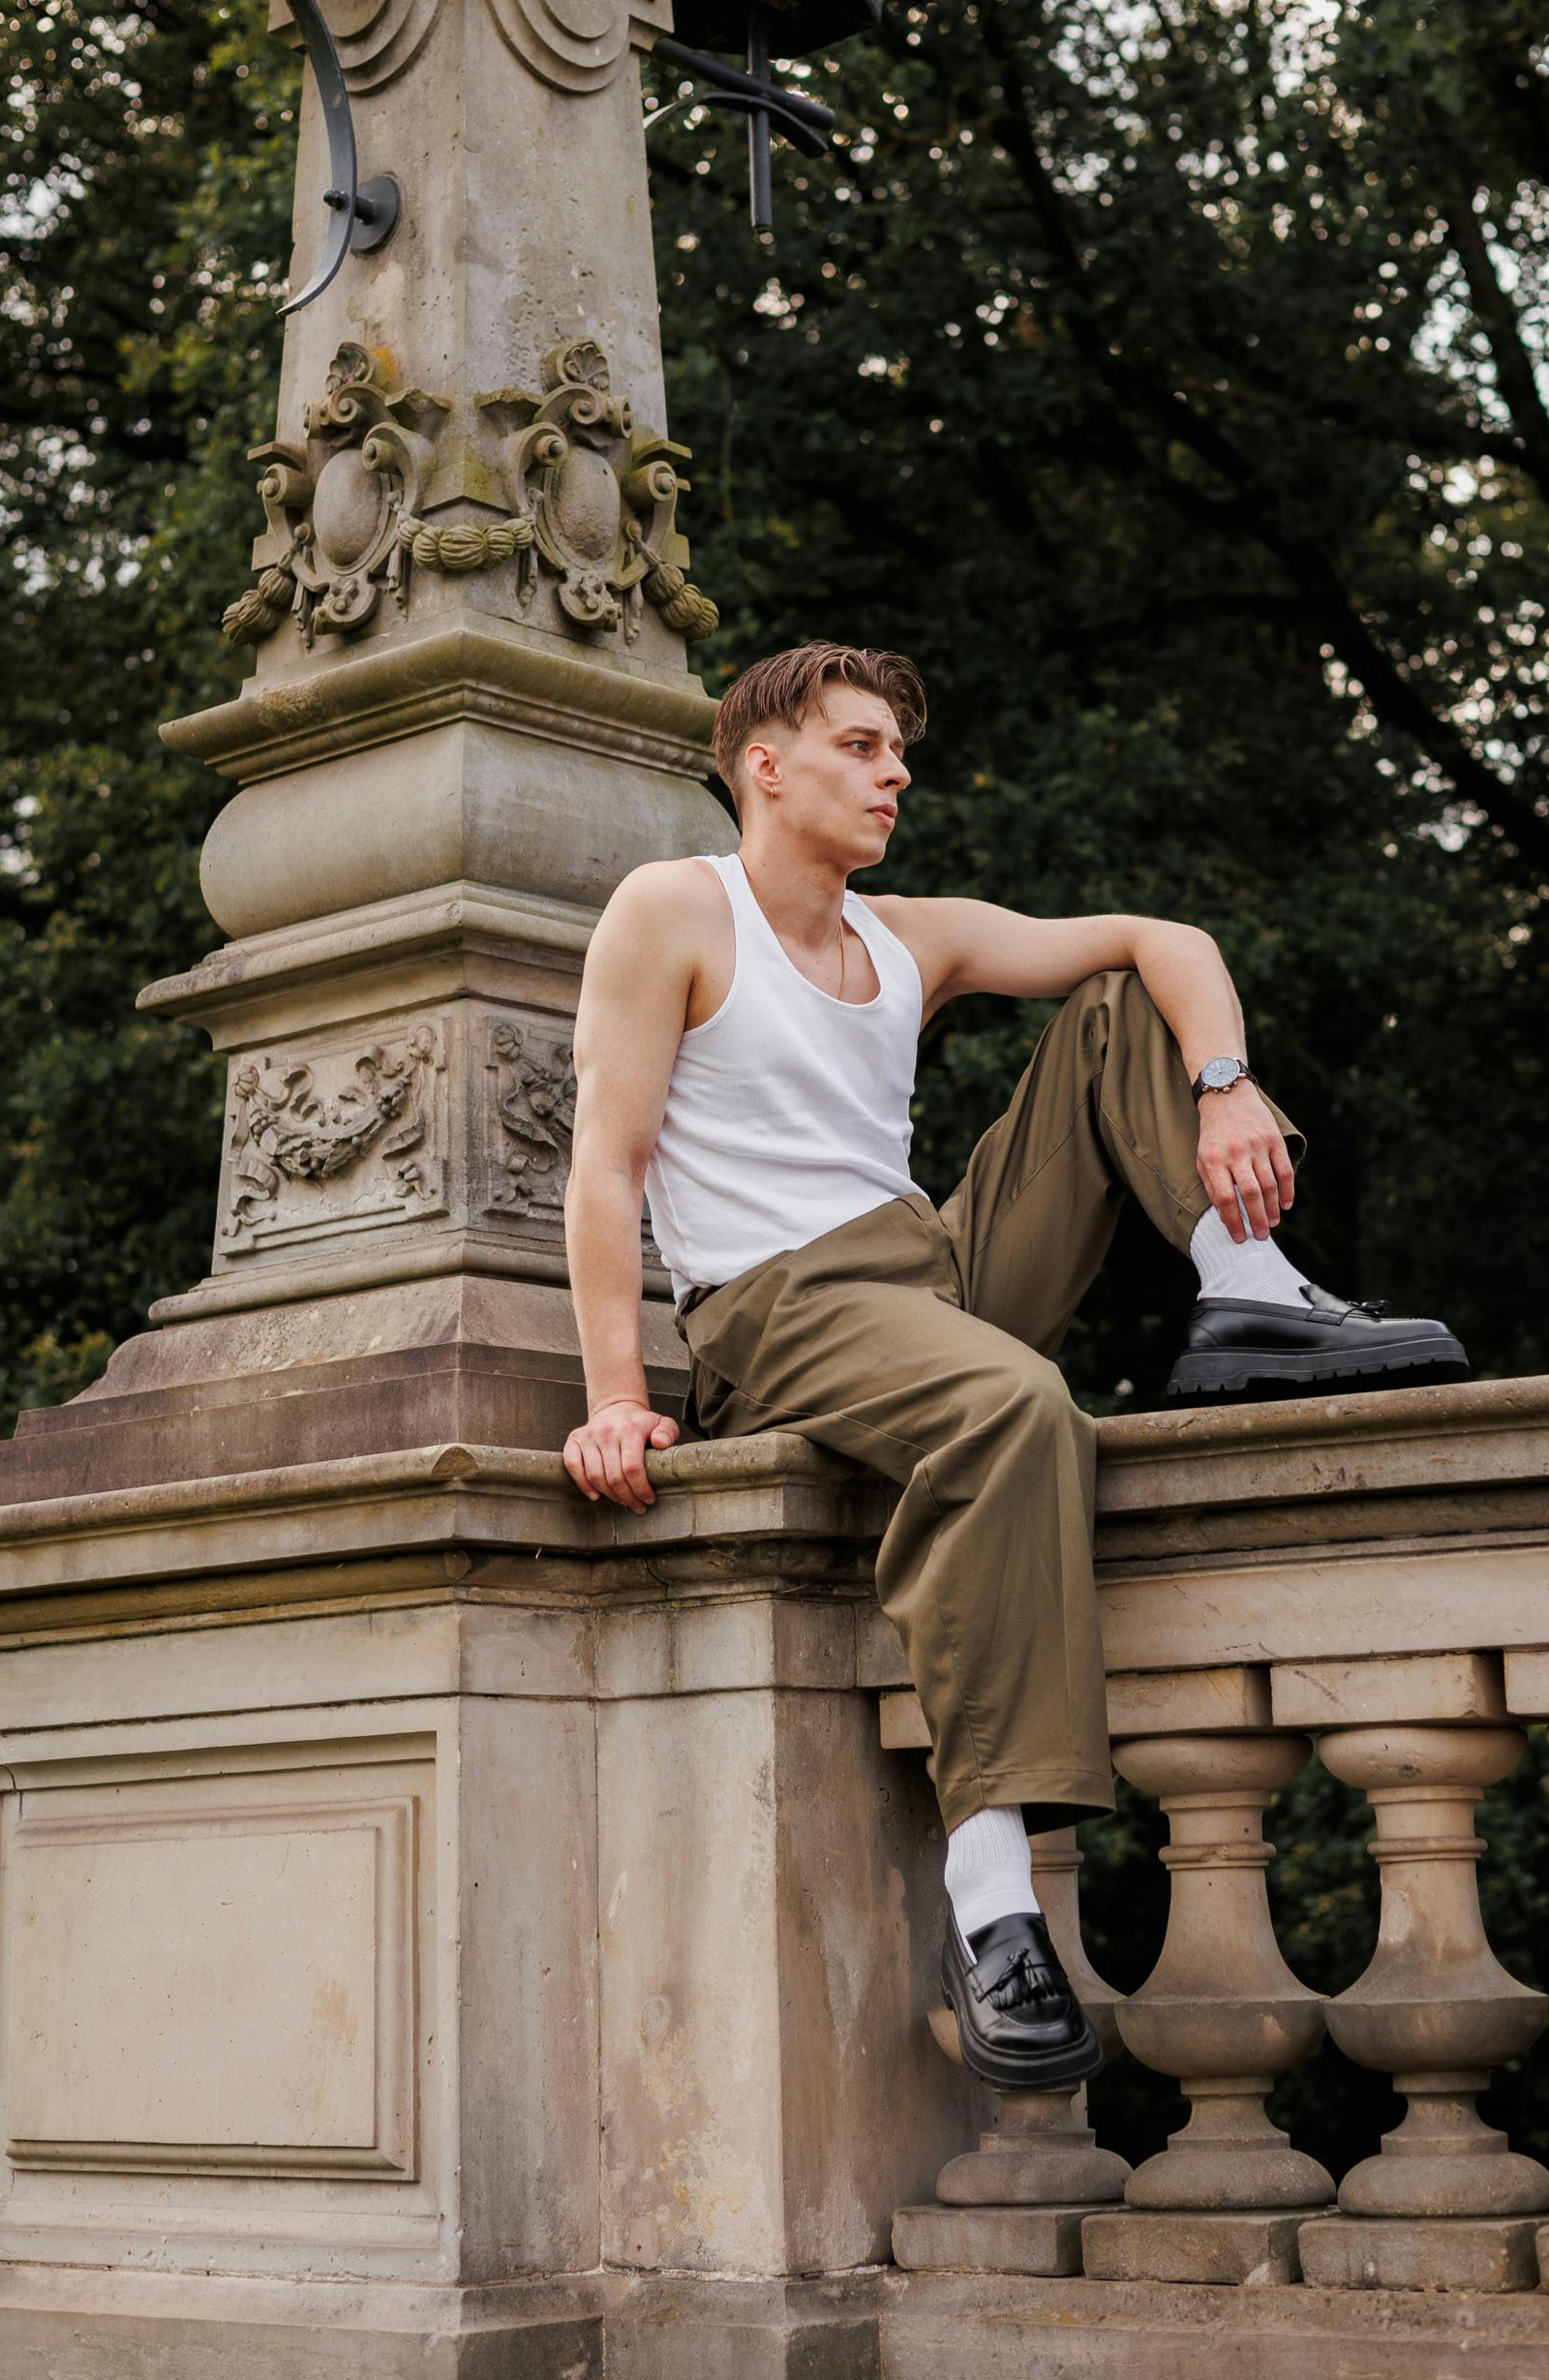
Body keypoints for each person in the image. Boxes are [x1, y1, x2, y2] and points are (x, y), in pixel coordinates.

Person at [562, 641, 1466, 2089]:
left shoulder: (906, 934)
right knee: (1019, 1407)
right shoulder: (676, 909)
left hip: (926, 1268)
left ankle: (1247, 1293)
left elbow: (1164, 941)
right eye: (860, 747)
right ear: (765, 765)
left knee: (1118, 1007)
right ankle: (992, 1904)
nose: (895, 773)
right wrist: (620, 1394)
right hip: (773, 1308)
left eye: (898, 752)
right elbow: (604, 1164)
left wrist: (1226, 1092)